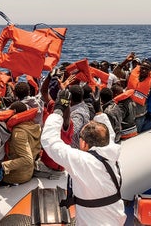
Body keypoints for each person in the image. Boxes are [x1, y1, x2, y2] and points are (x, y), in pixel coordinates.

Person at [41, 89, 127, 226]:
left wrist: (58, 110)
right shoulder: (111, 154)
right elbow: (109, 134)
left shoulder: (82, 162)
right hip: (115, 220)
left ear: (83, 143)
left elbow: (50, 141)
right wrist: (99, 111)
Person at [0, 101, 41, 184]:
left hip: (16, 176)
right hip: (28, 172)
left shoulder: (18, 132)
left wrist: (1, 165)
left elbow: (27, 159)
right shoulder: (33, 125)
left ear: (13, 113)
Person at [126, 58, 151, 133]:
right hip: (128, 113)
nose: (144, 70)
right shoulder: (133, 75)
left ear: (149, 71)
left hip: (139, 116)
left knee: (136, 135)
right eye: (142, 68)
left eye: (146, 69)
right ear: (140, 68)